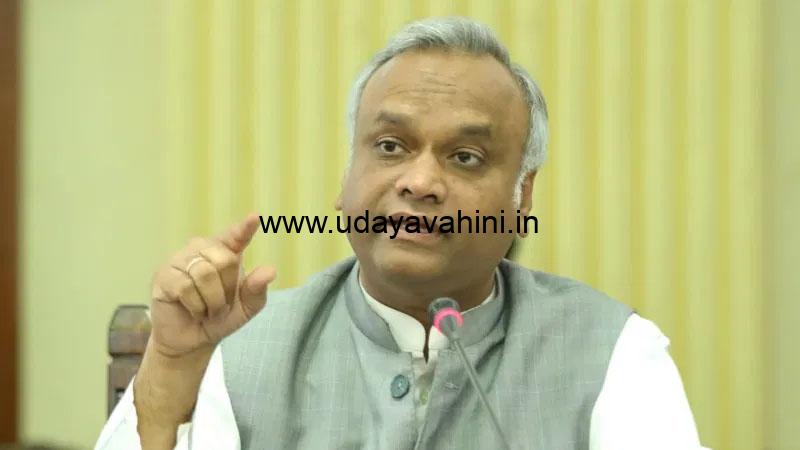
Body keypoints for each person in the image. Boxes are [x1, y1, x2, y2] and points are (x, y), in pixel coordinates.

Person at [96, 16, 706, 450]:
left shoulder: (611, 352)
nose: (419, 182)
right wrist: (171, 367)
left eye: (465, 157)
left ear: (523, 197)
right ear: (346, 180)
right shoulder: (243, 351)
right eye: (390, 147)